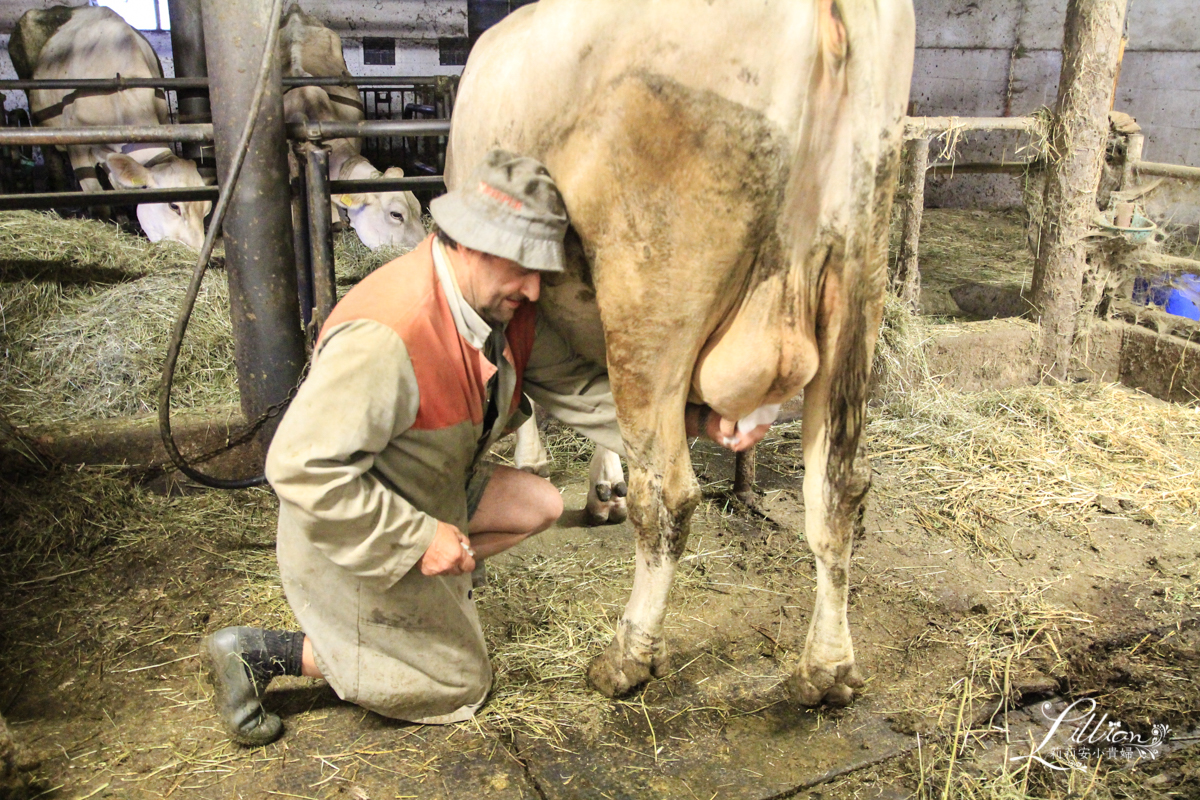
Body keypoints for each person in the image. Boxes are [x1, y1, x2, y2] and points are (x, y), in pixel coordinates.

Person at [201, 150, 770, 746]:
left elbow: (580, 391)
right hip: (346, 524)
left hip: (430, 488)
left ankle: (419, 603)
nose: (532, 288)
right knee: (458, 684)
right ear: (469, 242)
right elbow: (298, 468)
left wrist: (697, 422)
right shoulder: (389, 335)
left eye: (541, 271)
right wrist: (418, 539)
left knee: (540, 504)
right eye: (521, 265)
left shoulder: (501, 311)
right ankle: (265, 653)